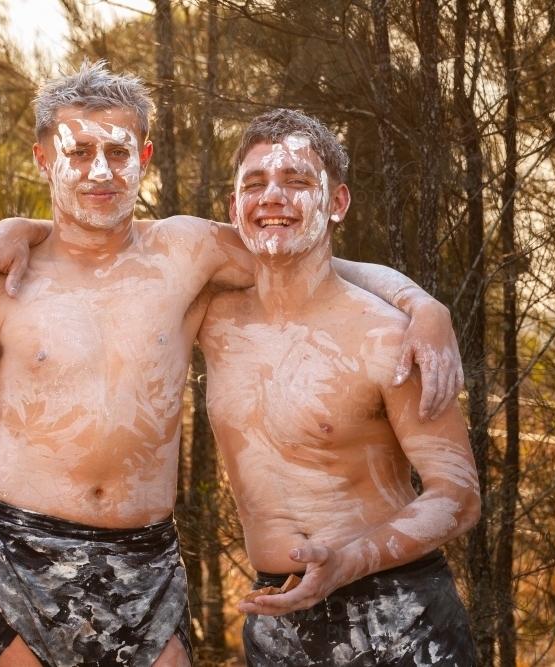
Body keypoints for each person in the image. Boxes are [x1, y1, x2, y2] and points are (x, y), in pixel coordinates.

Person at [0, 61, 463, 667]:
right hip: (24, 555)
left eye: (118, 151)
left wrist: (422, 304)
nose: (100, 171)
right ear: (44, 158)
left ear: (145, 155)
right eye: (77, 153)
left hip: (147, 561)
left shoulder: (186, 255)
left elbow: (304, 256)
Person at [198, 109, 480, 666]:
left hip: (397, 614)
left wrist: (347, 562)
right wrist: (19, 230)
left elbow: (459, 495)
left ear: (337, 203)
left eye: (298, 182)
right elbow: (108, 252)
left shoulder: (387, 336)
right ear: (235, 209)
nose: (272, 196)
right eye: (255, 184)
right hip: (278, 614)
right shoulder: (213, 318)